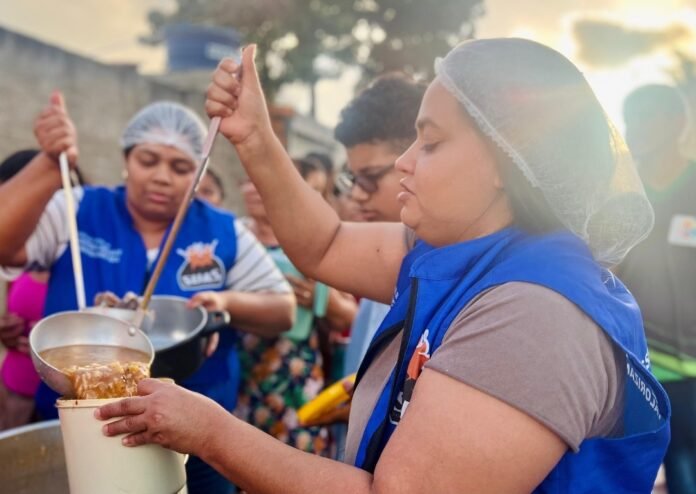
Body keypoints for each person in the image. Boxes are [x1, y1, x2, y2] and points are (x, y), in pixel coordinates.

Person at [97, 40, 670, 493]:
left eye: (431, 143)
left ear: (506, 163)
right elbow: (324, 245)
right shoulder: (465, 252)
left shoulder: (534, 315)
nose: (403, 162)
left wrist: (210, 431)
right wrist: (255, 137)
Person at [0, 92, 294, 493]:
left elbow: (283, 310)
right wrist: (50, 163)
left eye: (180, 167)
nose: (161, 177)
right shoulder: (79, 209)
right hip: (83, 429)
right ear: (126, 160)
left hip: (196, 436)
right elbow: (6, 245)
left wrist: (226, 302)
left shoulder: (225, 231)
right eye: (148, 160)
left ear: (198, 173)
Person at [235, 157, 357, 455]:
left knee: (297, 454)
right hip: (239, 365)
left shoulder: (308, 243)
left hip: (293, 367)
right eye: (249, 180)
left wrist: (319, 298)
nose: (255, 188)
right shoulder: (234, 237)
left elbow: (349, 318)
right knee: (238, 453)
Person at [618, 84, 696, 494]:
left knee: (686, 477)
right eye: (631, 119)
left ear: (678, 123)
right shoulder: (620, 194)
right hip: (635, 365)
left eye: (647, 117)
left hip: (691, 376)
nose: (636, 128)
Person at [333, 74, 426, 376]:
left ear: (416, 160)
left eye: (371, 177)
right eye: (354, 179)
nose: (358, 194)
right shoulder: (383, 260)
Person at [0, 149, 85, 430]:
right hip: (16, 388)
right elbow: (11, 309)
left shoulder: (86, 260)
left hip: (67, 398)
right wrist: (5, 332)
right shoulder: (17, 258)